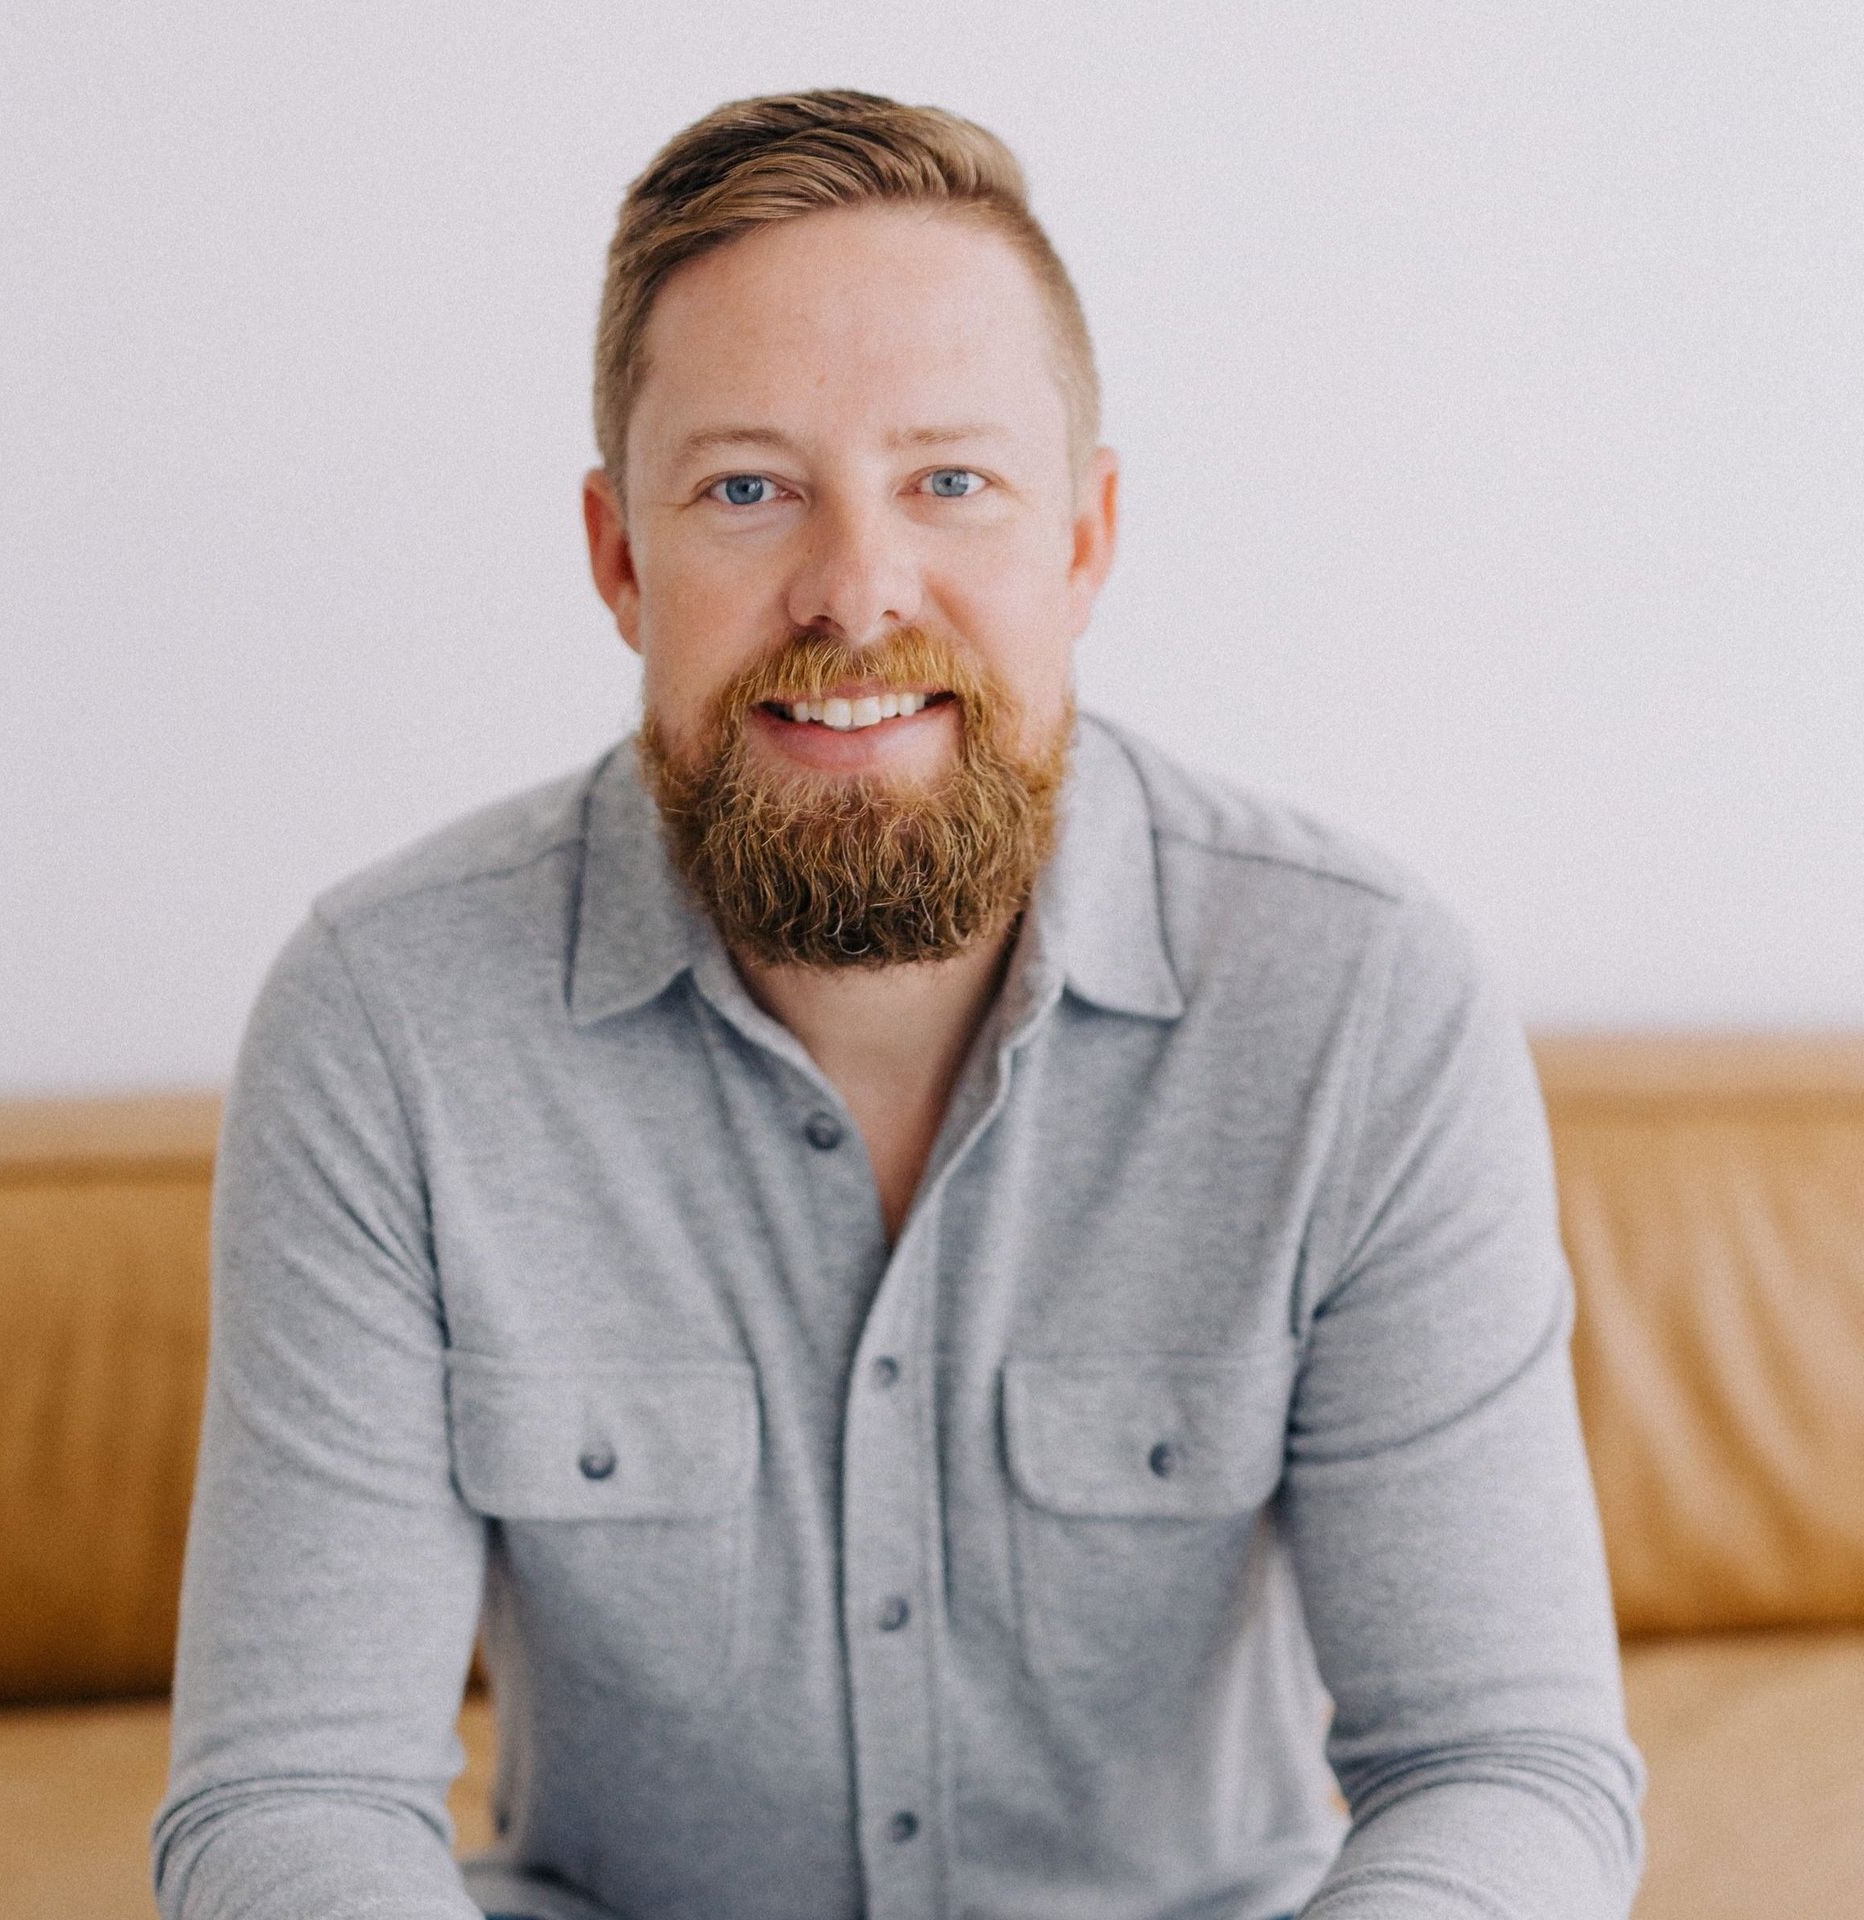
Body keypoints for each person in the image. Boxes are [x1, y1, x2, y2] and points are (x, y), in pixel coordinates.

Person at [151, 88, 1645, 1920]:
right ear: (623, 559)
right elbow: (293, 1802)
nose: (858, 593)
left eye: (951, 480)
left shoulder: (1366, 1006)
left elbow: (1507, 1768)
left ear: (1084, 542)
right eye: (749, 488)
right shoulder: (383, 1027)